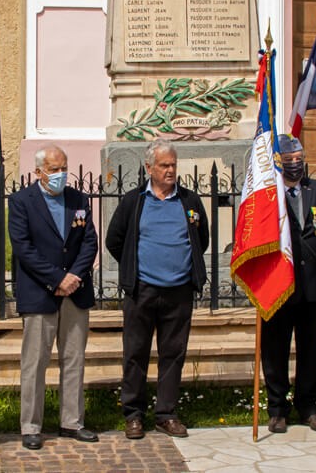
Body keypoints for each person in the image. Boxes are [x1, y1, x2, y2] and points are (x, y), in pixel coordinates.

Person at [106, 139, 209, 440]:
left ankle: (166, 413)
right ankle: (133, 415)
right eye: (164, 165)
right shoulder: (133, 201)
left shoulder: (189, 201)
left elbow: (201, 239)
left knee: (173, 354)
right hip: (142, 291)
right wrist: (134, 268)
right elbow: (115, 240)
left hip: (179, 291)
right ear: (149, 168)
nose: (170, 170)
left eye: (173, 165)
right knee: (135, 353)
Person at [9, 145, 100, 450]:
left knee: (74, 359)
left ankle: (72, 422)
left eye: (64, 168)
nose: (60, 174)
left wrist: (72, 277)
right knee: (35, 362)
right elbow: (23, 248)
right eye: (53, 169)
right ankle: (31, 425)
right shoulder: (22, 202)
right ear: (38, 172)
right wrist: (56, 278)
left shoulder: (78, 199)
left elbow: (89, 241)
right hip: (40, 293)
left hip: (76, 292)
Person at [261, 134, 316, 434]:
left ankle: (309, 404)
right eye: (288, 160)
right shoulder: (267, 195)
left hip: (312, 286)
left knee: (311, 349)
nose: (295, 164)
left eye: (299, 159)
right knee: (275, 349)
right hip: (277, 285)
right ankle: (277, 408)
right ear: (277, 162)